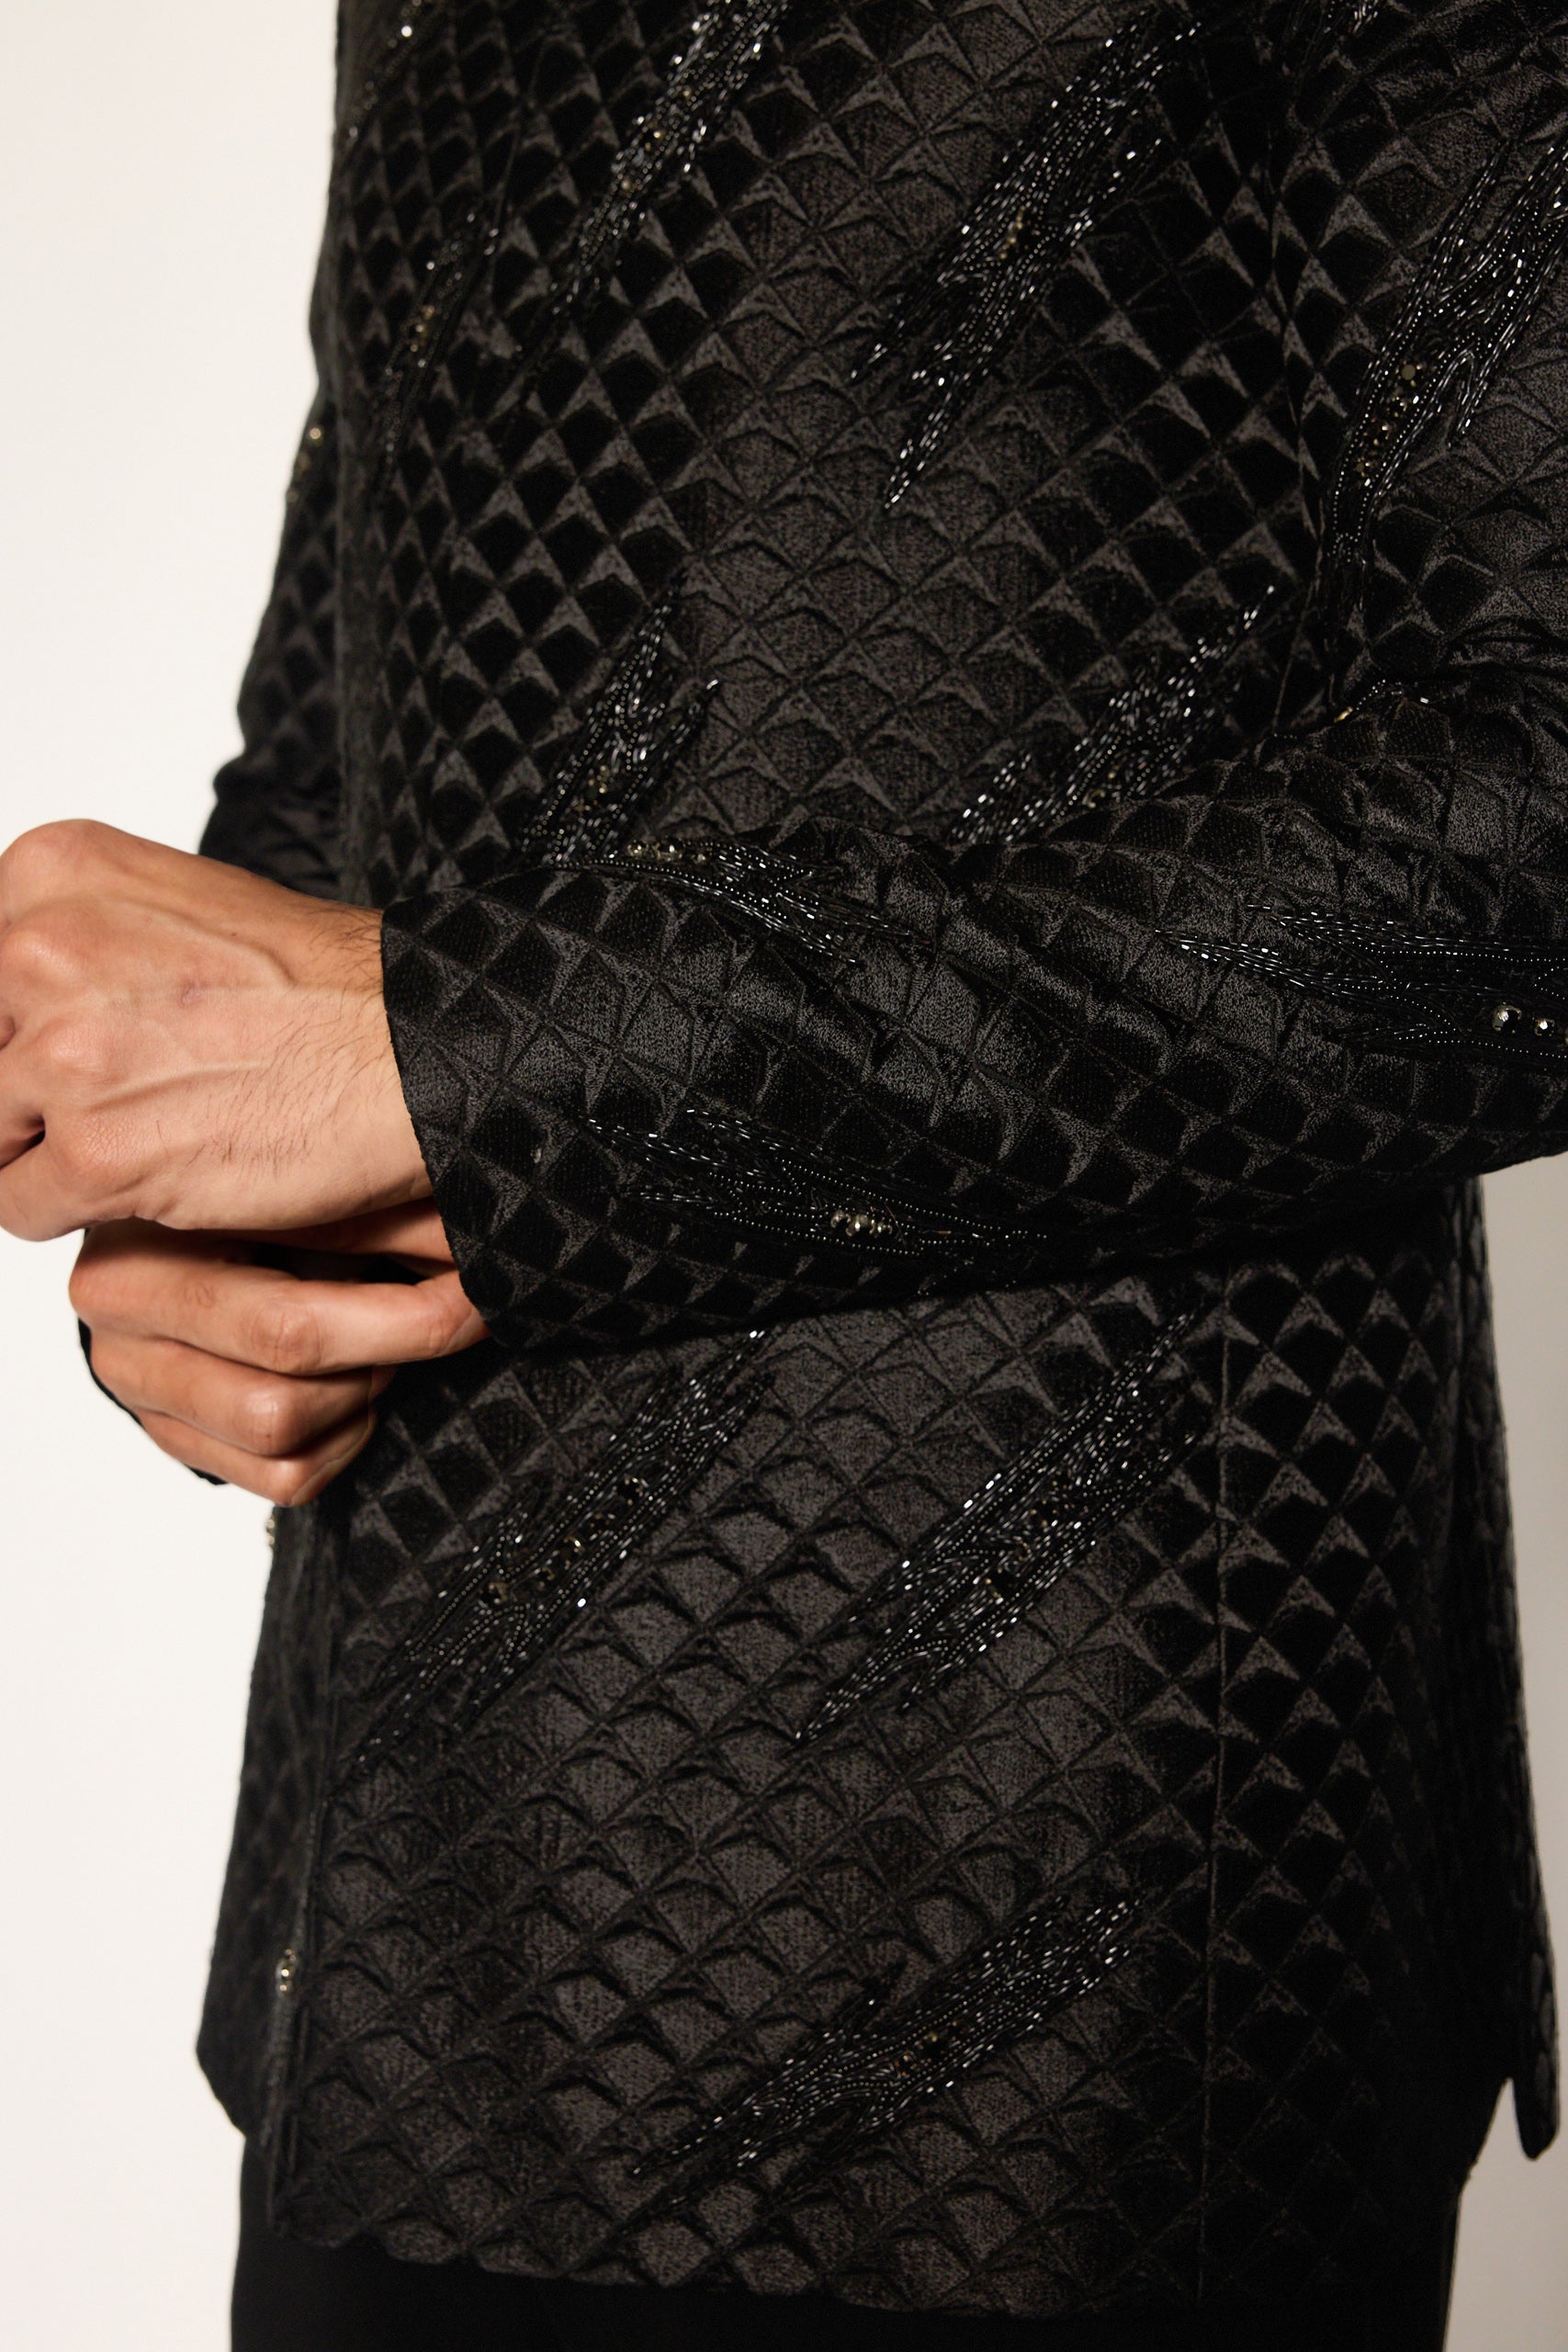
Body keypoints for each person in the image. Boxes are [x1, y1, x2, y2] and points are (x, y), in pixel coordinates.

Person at [6, 0, 1563, 2342]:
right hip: (397, 1954)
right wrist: (195, 1220)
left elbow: (1536, 826)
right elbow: (366, 761)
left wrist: (485, 1066)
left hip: (1064, 1969)